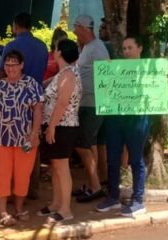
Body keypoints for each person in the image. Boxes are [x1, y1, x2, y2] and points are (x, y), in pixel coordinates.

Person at [0, 50, 43, 227]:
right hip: (2, 137)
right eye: (7, 64)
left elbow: (38, 108)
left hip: (25, 139)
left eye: (14, 64)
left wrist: (34, 133)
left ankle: (19, 208)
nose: (11, 68)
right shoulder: (0, 85)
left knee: (23, 174)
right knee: (2, 174)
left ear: (22, 65)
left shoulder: (31, 84)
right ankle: (3, 211)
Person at [97, 36, 152, 218]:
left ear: (140, 48)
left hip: (137, 119)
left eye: (130, 47)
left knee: (136, 159)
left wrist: (163, 80)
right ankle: (113, 197)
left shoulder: (150, 69)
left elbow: (156, 92)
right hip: (115, 119)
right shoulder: (116, 68)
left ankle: (138, 200)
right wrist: (105, 73)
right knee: (112, 159)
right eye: (124, 48)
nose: (127, 51)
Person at [40, 39, 82, 225]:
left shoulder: (69, 74)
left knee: (62, 167)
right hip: (58, 125)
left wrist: (52, 126)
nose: (53, 51)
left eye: (55, 48)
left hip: (63, 126)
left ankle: (66, 209)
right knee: (56, 166)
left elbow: (63, 102)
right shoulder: (64, 73)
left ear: (60, 52)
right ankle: (56, 203)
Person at [72, 14, 109, 202]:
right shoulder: (87, 47)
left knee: (82, 145)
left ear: (82, 27)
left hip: (92, 104)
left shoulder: (97, 48)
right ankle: (94, 183)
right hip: (86, 103)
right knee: (89, 145)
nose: (73, 30)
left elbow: (106, 74)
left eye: (75, 26)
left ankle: (95, 186)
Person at [1, 12, 49, 85]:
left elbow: (2, 72)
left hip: (14, 90)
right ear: (30, 27)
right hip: (36, 90)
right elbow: (44, 70)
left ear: (15, 26)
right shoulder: (43, 46)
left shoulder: (11, 46)